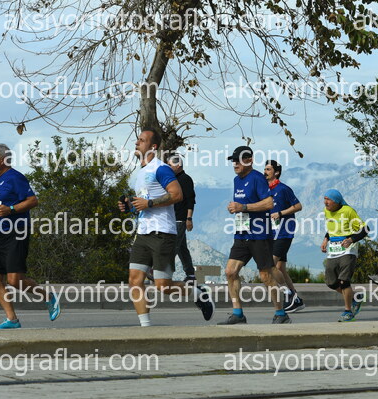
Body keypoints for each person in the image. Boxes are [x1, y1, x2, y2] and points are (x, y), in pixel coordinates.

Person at [119, 129, 214, 327]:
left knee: (163, 286)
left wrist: (149, 203)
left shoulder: (161, 169)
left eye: (141, 140)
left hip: (162, 233)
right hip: (143, 233)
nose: (136, 143)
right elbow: (144, 203)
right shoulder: (141, 172)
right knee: (134, 280)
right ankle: (146, 328)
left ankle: (199, 294)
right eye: (137, 139)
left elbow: (177, 194)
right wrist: (130, 207)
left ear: (153, 147)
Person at [220, 146, 290, 324]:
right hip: (242, 233)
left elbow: (269, 203)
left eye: (239, 160)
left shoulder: (258, 178)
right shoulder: (236, 180)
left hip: (260, 235)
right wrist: (235, 208)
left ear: (249, 160)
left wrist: (243, 207)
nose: (235, 164)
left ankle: (281, 313)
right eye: (233, 160)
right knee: (230, 272)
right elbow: (242, 204)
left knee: (266, 276)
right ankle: (238, 314)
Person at [0, 143, 61, 329]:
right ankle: (12, 320)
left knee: (14, 280)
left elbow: (33, 200)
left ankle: (47, 296)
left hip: (16, 233)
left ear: (3, 160)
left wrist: (11, 209)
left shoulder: (15, 177)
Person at [321, 189, 368, 322]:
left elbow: (365, 229)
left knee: (344, 281)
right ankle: (355, 298)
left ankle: (348, 312)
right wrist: (325, 239)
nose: (325, 202)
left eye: (328, 199)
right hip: (333, 250)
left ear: (336, 201)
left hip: (348, 250)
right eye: (324, 199)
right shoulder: (326, 211)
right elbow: (331, 228)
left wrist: (351, 240)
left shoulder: (348, 211)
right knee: (331, 282)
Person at [264, 159, 305, 313]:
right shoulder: (264, 190)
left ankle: (289, 296)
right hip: (271, 234)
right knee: (280, 268)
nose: (265, 172)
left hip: (284, 232)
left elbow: (298, 206)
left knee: (270, 266)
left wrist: (280, 213)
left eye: (268, 169)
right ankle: (296, 300)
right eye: (265, 169)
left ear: (276, 172)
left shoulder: (283, 189)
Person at [168, 155, 197, 283]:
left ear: (178, 165)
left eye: (170, 165)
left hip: (180, 219)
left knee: (172, 246)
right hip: (172, 217)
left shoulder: (186, 179)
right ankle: (190, 274)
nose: (168, 168)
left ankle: (164, 272)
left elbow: (191, 200)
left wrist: (189, 218)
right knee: (181, 248)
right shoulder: (172, 180)